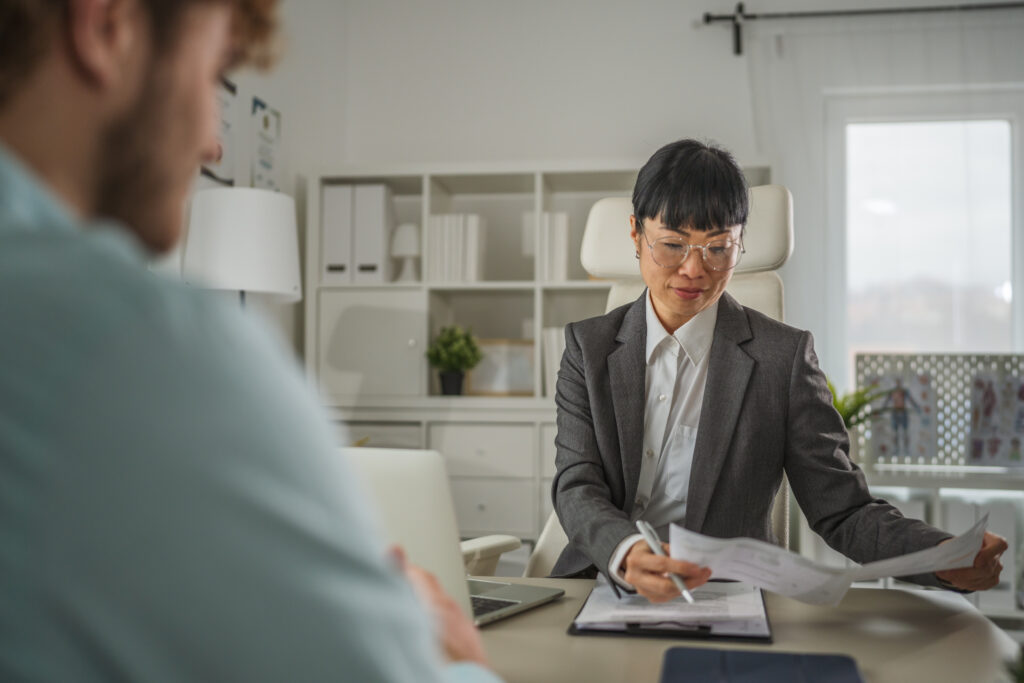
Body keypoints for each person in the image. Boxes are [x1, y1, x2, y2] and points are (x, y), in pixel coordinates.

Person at [0, 1, 499, 680]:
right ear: (107, 27)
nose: (214, 143)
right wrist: (444, 651)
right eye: (214, 75)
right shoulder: (139, 347)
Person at [550, 138, 1007, 602]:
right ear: (635, 234)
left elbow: (842, 510)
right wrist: (626, 551)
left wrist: (942, 556)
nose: (694, 269)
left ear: (740, 243)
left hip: (726, 596)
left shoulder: (782, 359)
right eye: (672, 245)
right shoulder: (588, 349)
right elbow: (576, 485)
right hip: (600, 582)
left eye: (718, 248)